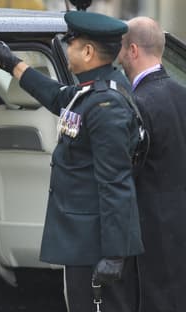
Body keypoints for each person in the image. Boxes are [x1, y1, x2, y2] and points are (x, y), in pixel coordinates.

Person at [0, 10, 144, 312]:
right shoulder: (92, 92)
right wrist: (11, 64)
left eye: (70, 43)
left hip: (96, 249)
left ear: (87, 51)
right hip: (84, 244)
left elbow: (116, 184)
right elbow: (58, 96)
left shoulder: (107, 106)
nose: (66, 48)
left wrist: (114, 254)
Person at [118, 17, 186, 312]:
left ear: (132, 50)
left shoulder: (137, 104)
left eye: (120, 49)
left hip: (153, 227)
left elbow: (126, 170)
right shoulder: (182, 95)